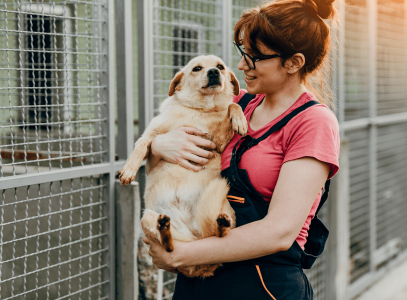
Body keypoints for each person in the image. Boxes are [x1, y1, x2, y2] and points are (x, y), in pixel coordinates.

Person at [142, 0, 340, 299]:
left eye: (255, 56)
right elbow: (168, 155)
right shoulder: (237, 104)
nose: (241, 65)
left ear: (294, 63)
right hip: (199, 278)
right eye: (242, 52)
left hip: (262, 283)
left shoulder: (313, 122)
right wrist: (158, 145)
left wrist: (181, 255)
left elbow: (279, 232)